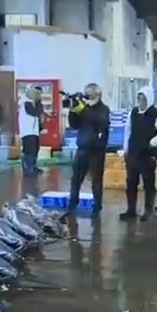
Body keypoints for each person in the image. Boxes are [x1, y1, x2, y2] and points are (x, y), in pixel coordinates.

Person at [119, 86, 157, 221]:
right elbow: (127, 131)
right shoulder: (133, 113)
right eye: (139, 99)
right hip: (133, 153)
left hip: (147, 153)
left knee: (148, 183)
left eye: (143, 99)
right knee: (131, 182)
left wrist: (153, 143)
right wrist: (126, 149)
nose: (141, 101)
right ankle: (131, 210)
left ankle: (148, 210)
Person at [64, 83, 110, 219]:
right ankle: (72, 204)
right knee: (76, 179)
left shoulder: (103, 110)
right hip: (82, 148)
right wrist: (73, 109)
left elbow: (97, 121)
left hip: (97, 150)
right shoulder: (84, 109)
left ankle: (97, 206)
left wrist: (82, 108)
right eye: (86, 94)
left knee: (96, 180)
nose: (87, 97)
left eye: (89, 94)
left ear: (97, 94)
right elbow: (74, 124)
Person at [17, 85, 45, 177]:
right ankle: (27, 167)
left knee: (35, 149)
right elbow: (34, 112)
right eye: (33, 93)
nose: (35, 95)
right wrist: (40, 113)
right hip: (27, 131)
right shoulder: (26, 103)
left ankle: (33, 166)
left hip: (34, 131)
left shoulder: (35, 103)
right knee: (29, 150)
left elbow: (40, 112)